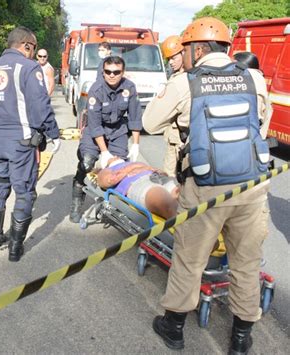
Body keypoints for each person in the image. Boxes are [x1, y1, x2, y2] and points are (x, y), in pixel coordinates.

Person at [142, 17, 272, 354]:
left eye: (185, 49)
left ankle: (174, 329)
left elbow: (149, 122)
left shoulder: (186, 81)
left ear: (197, 48)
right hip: (251, 188)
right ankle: (241, 340)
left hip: (205, 188)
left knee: (190, 260)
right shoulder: (252, 77)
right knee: (245, 263)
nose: (184, 55)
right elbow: (263, 120)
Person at [0, 26, 61, 262]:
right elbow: (41, 108)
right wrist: (54, 134)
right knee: (24, 191)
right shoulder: (29, 68)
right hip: (21, 142)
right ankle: (15, 248)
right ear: (27, 45)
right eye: (33, 48)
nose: (33, 54)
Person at [70, 56, 142, 223]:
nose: (111, 75)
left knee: (118, 170)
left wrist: (136, 145)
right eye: (108, 72)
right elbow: (94, 125)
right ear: (103, 71)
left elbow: (135, 117)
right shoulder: (96, 90)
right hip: (95, 131)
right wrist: (104, 152)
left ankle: (113, 205)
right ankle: (77, 197)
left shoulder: (129, 87)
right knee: (87, 163)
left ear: (123, 72)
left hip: (117, 130)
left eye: (116, 72)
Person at [97, 157, 179, 219]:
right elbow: (109, 180)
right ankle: (184, 227)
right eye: (112, 157)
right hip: (138, 182)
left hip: (157, 176)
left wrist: (150, 169)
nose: (115, 155)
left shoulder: (129, 163)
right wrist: (130, 169)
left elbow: (159, 172)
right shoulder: (108, 169)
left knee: (184, 195)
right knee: (165, 203)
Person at [159, 35, 185, 177]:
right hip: (173, 136)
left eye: (174, 58)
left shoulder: (186, 78)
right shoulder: (174, 76)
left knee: (175, 176)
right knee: (169, 175)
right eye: (169, 59)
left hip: (181, 137)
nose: (171, 63)